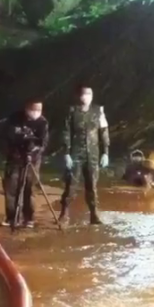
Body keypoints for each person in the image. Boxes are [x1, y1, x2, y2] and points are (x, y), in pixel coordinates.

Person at [60, 85, 109, 225]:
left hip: (93, 153)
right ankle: (64, 213)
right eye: (83, 94)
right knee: (71, 185)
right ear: (78, 96)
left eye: (88, 94)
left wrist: (105, 152)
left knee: (92, 185)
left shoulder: (98, 111)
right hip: (75, 153)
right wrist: (66, 153)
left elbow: (104, 132)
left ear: (92, 96)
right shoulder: (72, 111)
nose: (85, 97)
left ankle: (94, 215)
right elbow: (66, 133)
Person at [2, 99, 49, 228]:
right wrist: (22, 140)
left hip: (33, 160)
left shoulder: (42, 123)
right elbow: (9, 136)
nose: (36, 112)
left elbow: (43, 143)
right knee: (11, 187)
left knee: (30, 188)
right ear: (27, 108)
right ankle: (12, 217)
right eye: (33, 109)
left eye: (38, 110)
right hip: (15, 158)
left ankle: (29, 218)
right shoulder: (15, 119)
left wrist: (33, 150)